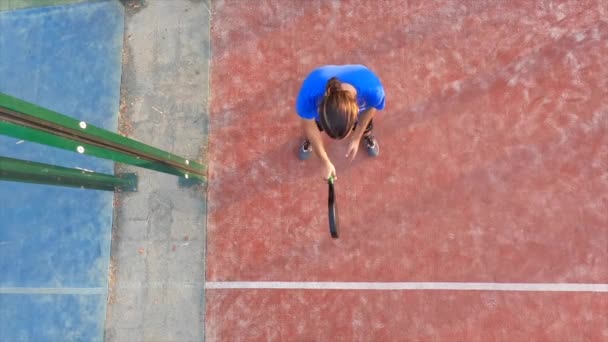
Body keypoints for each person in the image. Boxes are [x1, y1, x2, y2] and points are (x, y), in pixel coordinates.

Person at [295, 64, 386, 180]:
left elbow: (372, 108)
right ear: (319, 109)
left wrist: (357, 137)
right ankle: (310, 141)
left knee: (366, 127)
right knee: (314, 129)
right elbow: (309, 124)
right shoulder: (309, 93)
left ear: (357, 111)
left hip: (361, 98)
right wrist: (324, 161)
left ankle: (366, 136)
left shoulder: (373, 89)